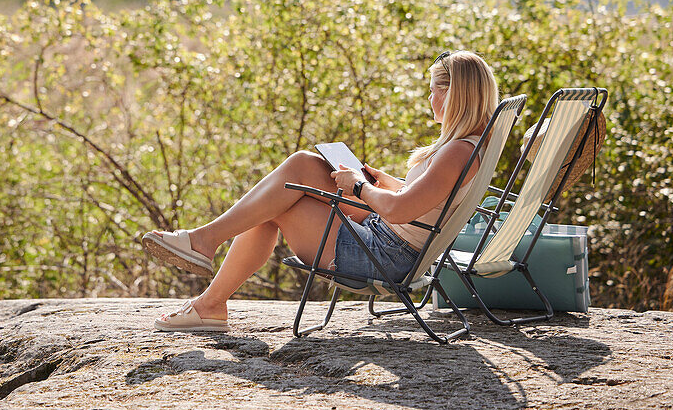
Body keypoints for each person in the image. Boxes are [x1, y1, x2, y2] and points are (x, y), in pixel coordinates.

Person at [141, 50, 499, 332]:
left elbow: (401, 211)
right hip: (389, 240)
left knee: (278, 201)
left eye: (434, 90)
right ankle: (205, 263)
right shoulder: (471, 145)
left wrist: (359, 186)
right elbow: (424, 197)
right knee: (303, 167)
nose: (430, 99)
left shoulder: (457, 152)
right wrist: (380, 180)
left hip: (386, 255)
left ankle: (207, 277)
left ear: (455, 93)